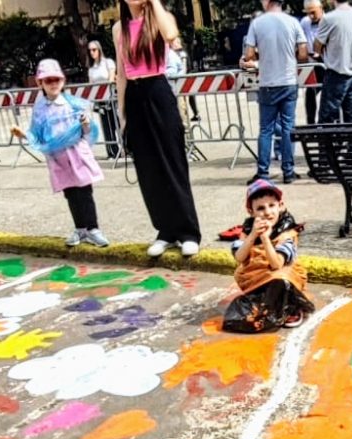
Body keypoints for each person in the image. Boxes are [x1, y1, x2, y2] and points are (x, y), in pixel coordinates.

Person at [116, 0, 204, 259]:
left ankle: (188, 231)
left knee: (172, 163)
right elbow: (121, 74)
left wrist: (154, 2)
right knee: (148, 169)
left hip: (158, 89)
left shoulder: (159, 18)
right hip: (133, 94)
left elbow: (171, 35)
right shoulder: (118, 29)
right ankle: (165, 230)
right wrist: (123, 116)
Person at [11, 60, 108, 249]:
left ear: (63, 81)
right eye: (48, 81)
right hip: (59, 159)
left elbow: (87, 131)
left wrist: (85, 122)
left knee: (85, 191)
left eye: (56, 80)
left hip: (78, 154)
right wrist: (22, 135)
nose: (53, 84)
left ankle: (93, 228)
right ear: (40, 84)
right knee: (71, 192)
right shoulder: (40, 110)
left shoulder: (73, 104)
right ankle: (80, 228)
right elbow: (36, 134)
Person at [222, 179, 315, 332]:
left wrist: (265, 239)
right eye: (260, 208)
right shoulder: (248, 231)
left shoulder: (287, 233)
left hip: (278, 276)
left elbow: (276, 264)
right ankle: (272, 306)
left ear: (281, 205)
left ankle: (290, 307)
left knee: (282, 279)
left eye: (272, 205)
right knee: (247, 304)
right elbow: (239, 257)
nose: (267, 212)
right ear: (251, 212)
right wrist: (253, 235)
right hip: (256, 278)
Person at [241, 0, 307, 183]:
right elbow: (303, 53)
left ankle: (263, 172)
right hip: (288, 81)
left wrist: (264, 54)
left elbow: (248, 55)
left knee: (266, 130)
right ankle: (288, 171)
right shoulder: (293, 22)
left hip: (268, 82)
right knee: (287, 128)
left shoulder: (257, 23)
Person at [314, 0, 352, 126]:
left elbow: (317, 47)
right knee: (351, 116)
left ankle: (328, 146)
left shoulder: (328, 18)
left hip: (336, 72)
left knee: (327, 118)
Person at [86, 39, 122, 158]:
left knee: (119, 123)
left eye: (94, 50)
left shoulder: (108, 63)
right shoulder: (91, 69)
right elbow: (91, 85)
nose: (92, 52)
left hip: (111, 98)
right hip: (100, 101)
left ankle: (127, 147)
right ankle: (112, 151)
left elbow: (111, 79)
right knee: (107, 125)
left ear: (99, 50)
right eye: (90, 50)